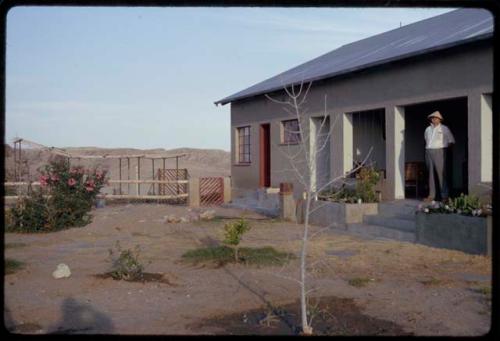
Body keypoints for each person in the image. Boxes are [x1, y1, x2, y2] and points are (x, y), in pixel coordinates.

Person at [424, 111, 455, 202]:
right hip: (429, 151)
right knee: (430, 174)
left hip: (440, 151)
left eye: (436, 117)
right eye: (432, 117)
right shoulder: (427, 129)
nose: (434, 119)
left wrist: (444, 150)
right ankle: (431, 195)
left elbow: (451, 141)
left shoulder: (444, 128)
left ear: (439, 119)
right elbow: (426, 140)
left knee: (441, 174)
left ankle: (444, 195)